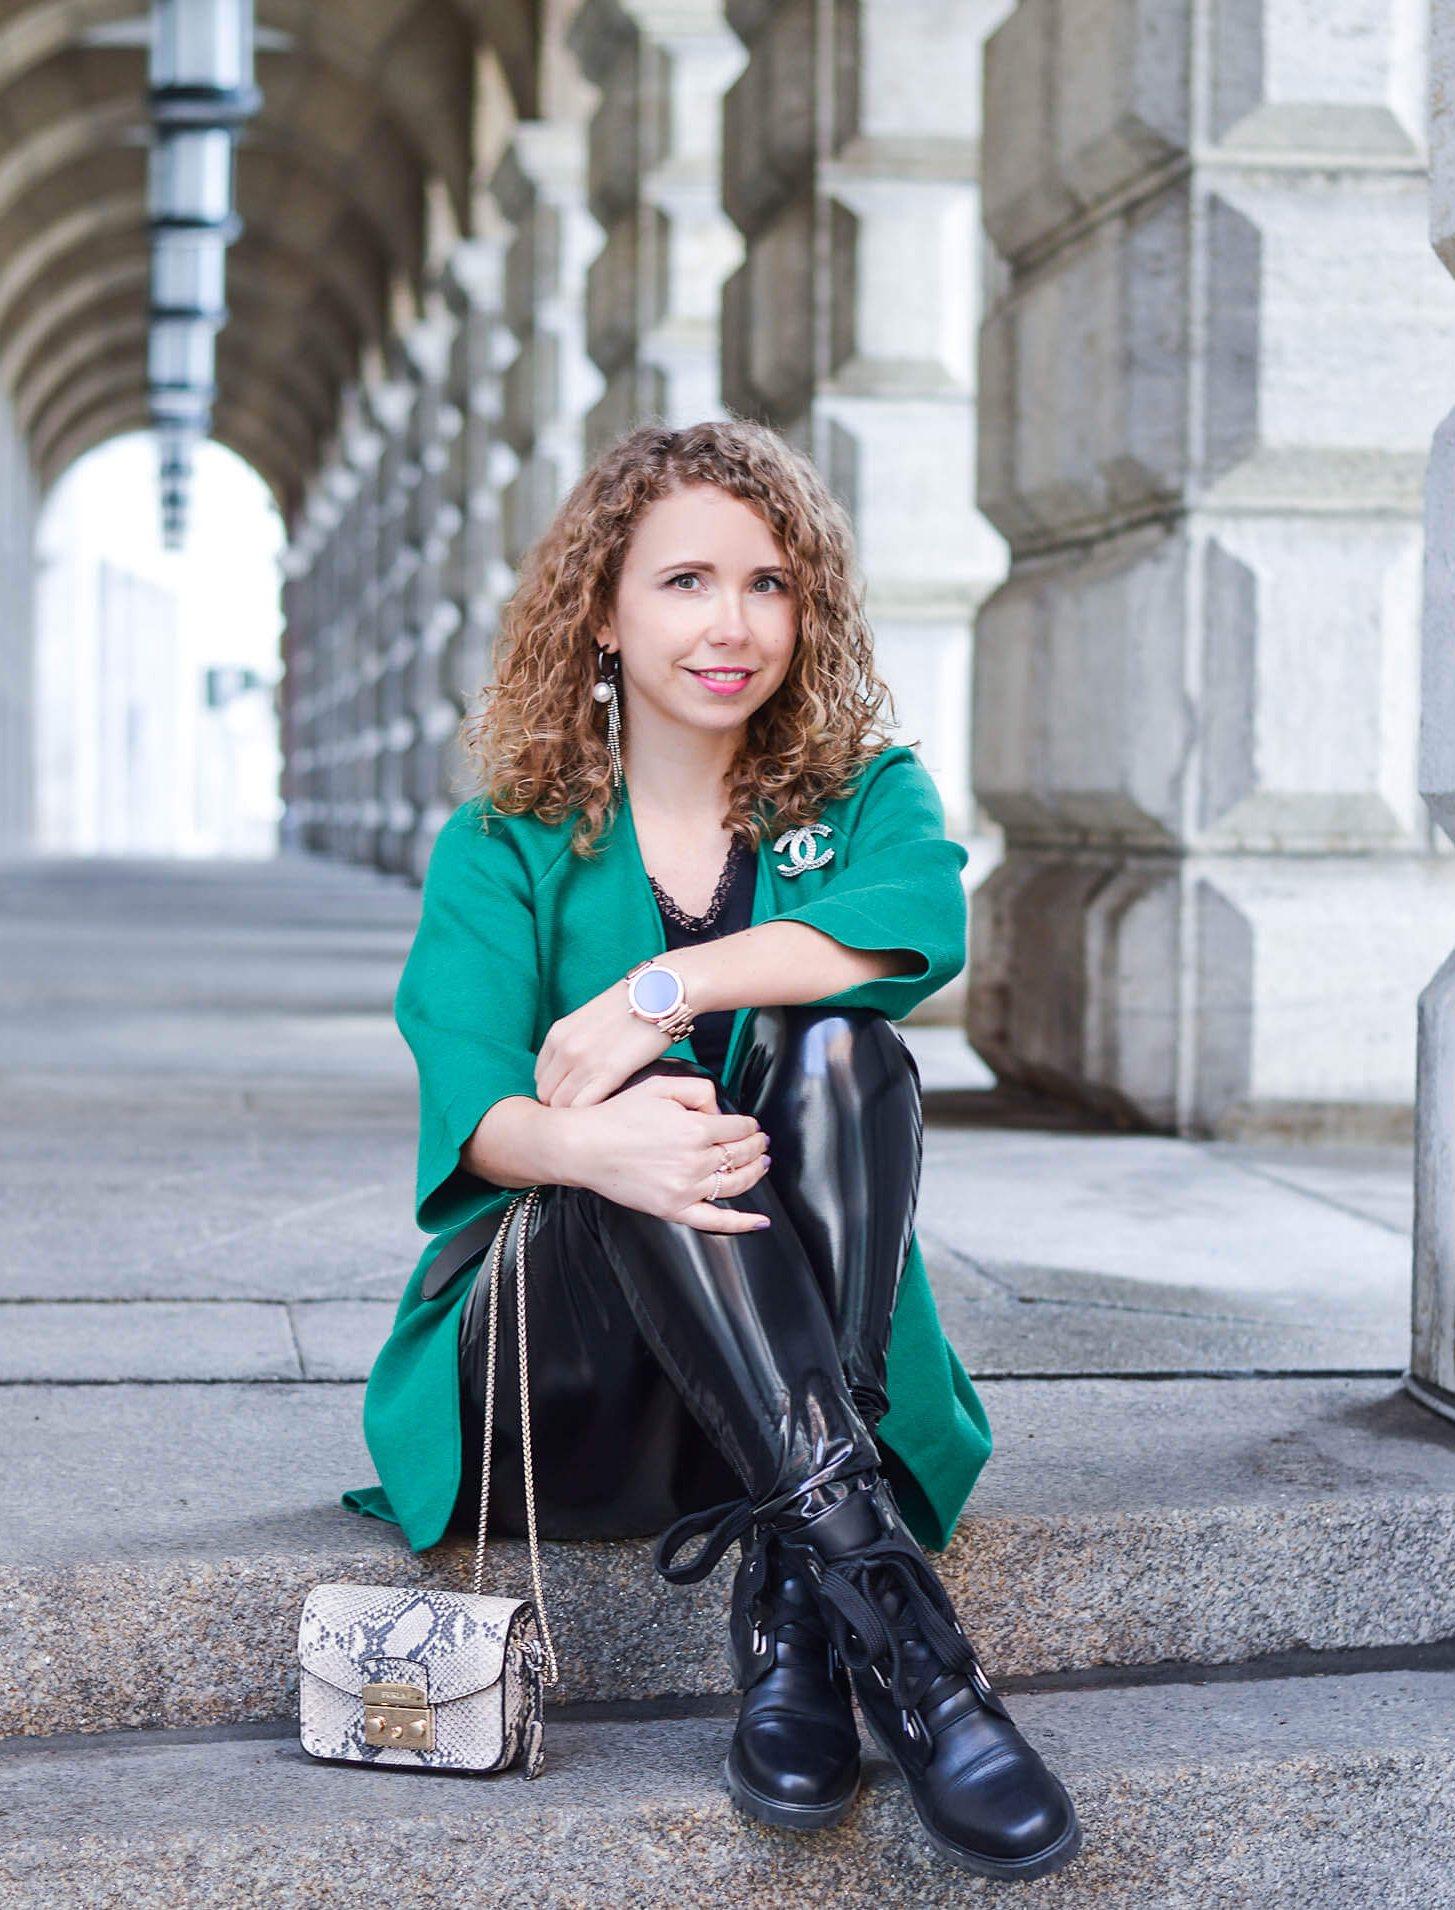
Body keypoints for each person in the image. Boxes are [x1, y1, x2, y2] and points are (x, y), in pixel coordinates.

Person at [344, 419, 1081, 1881]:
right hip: (567, 1375)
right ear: (603, 610)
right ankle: (917, 1648)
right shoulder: (505, 838)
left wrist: (657, 988)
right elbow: (477, 1116)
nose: (731, 623)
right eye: (684, 581)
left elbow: (914, 923)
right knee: (659, 1126)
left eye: (769, 582)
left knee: (846, 1047)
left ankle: (809, 1603)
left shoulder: (864, 796)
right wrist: (593, 1143)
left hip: (789, 1362)